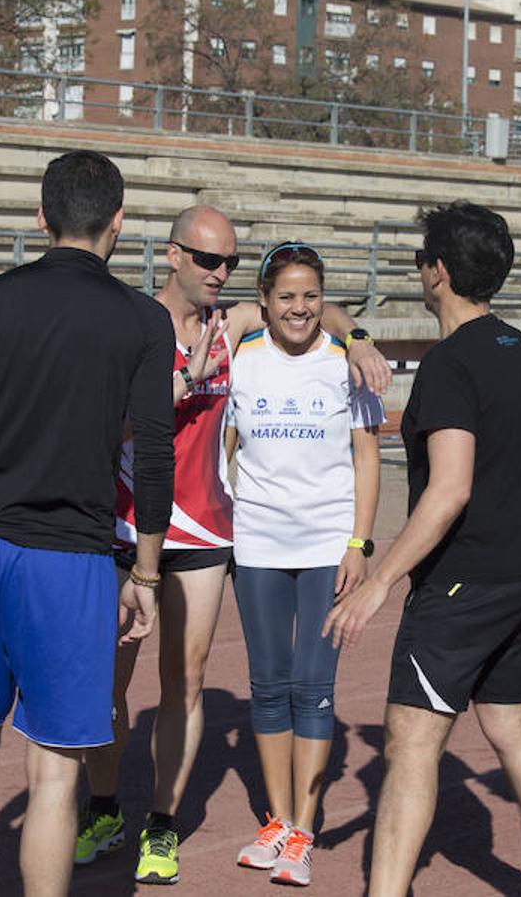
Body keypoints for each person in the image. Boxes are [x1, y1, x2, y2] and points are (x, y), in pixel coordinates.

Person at [75, 206, 392, 885]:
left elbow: (308, 304)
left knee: (187, 682)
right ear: (172, 255)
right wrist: (185, 380)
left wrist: (359, 334)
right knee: (106, 687)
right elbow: (112, 426)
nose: (219, 274)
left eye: (229, 264)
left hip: (208, 534)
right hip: (128, 528)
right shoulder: (135, 324)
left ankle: (164, 826)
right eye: (206, 260)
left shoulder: (233, 326)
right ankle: (103, 806)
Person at [0, 150, 175, 897]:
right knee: (55, 772)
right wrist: (147, 573)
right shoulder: (143, 321)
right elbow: (155, 459)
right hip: (70, 561)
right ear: (118, 223)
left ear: (40, 218)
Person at [323, 202, 521, 897]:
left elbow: (449, 490)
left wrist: (380, 581)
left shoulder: (447, 365)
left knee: (409, 743)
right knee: (512, 725)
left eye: (419, 258)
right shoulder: (520, 348)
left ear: (436, 271)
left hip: (468, 584)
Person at [225, 242, 384, 886]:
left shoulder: (347, 364)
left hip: (326, 547)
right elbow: (224, 445)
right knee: (267, 685)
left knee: (312, 686)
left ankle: (305, 832)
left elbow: (367, 458)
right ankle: (279, 822)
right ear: (264, 301)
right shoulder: (243, 359)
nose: (300, 308)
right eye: (286, 296)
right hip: (257, 544)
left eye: (311, 296)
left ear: (325, 299)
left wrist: (359, 544)